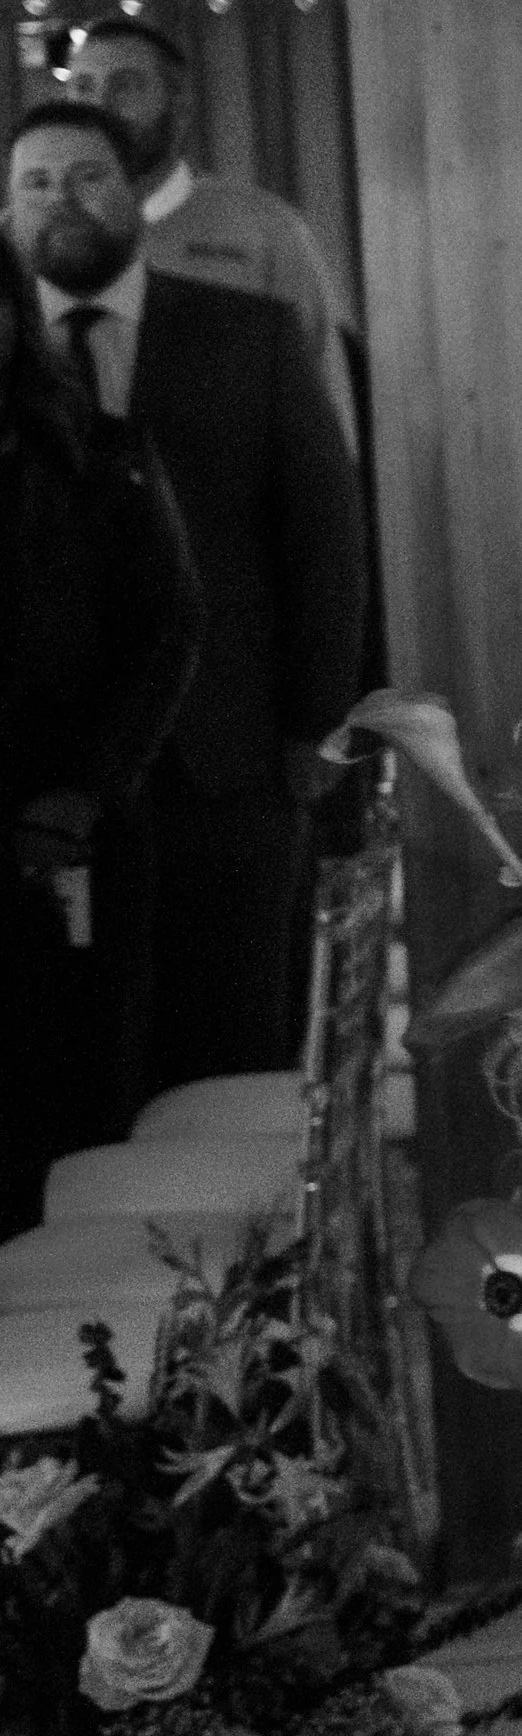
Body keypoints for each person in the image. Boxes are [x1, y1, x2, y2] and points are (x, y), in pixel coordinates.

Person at [7, 102, 366, 1090]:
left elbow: (323, 535)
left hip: (227, 748)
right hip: (41, 775)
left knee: (233, 1037)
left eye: (87, 177)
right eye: (36, 183)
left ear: (137, 195)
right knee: (65, 1061)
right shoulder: (8, 355)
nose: (62, 201)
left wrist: (319, 719)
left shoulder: (247, 333)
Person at [1, 234, 204, 1234]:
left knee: (74, 1098)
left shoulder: (101, 451)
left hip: (73, 828)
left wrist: (83, 789)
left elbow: (167, 631)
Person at [65, 16, 362, 455]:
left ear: (179, 109)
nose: (99, 106)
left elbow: (324, 411)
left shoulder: (265, 232)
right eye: (83, 87)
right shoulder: (20, 235)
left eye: (125, 86)